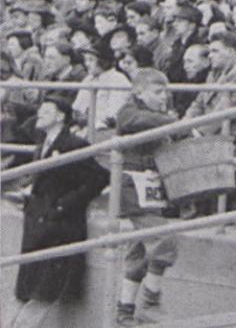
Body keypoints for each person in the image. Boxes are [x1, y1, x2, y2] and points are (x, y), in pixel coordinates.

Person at [11, 94, 109, 328]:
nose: (40, 114)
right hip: (36, 225)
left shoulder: (73, 145)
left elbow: (99, 177)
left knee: (44, 291)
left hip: (59, 227)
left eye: (46, 110)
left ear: (60, 116)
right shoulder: (42, 143)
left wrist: (63, 204)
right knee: (27, 290)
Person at [115, 68, 180, 326]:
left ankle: (125, 310)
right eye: (158, 92)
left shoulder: (159, 115)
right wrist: (172, 122)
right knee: (164, 238)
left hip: (152, 186)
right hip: (133, 187)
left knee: (139, 250)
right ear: (138, 91)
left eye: (166, 91)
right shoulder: (129, 110)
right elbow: (133, 121)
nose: (163, 97)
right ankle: (151, 302)